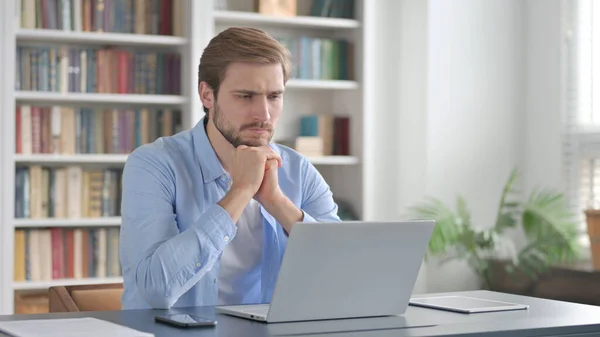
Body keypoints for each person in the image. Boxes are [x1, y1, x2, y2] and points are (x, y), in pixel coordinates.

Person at [119, 27, 341, 310]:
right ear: (207, 95)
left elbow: (339, 274)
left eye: (274, 96)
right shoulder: (153, 164)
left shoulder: (298, 169)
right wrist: (241, 190)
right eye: (246, 96)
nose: (264, 114)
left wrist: (276, 201)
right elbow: (157, 289)